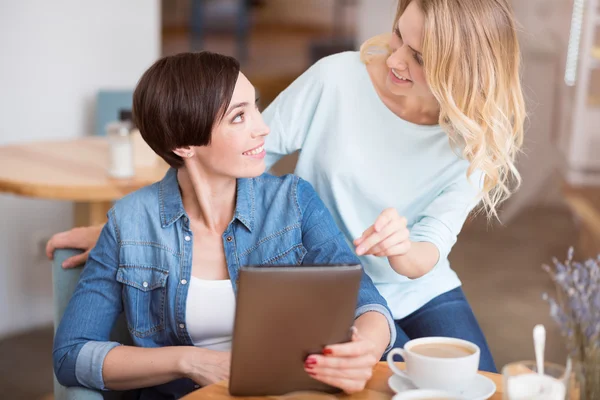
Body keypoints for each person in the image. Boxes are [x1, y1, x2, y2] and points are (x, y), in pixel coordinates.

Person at [49, 0, 525, 373]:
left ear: (460, 69)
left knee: (479, 383)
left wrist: (401, 252)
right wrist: (137, 229)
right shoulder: (338, 79)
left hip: (414, 284)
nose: (395, 59)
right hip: (315, 272)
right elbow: (229, 150)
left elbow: (428, 253)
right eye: (400, 33)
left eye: (419, 57)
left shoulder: (477, 140)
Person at [52, 52, 396, 399]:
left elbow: (366, 302)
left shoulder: (292, 201)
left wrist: (366, 346)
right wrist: (192, 362)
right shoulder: (129, 224)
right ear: (183, 144)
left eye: (255, 109)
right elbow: (71, 354)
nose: (262, 128)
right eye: (238, 117)